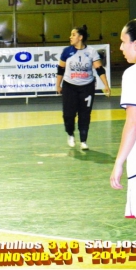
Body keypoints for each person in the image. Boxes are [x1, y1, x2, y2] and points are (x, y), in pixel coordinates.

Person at [56, 25, 111, 150]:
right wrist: (58, 85)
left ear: (80, 37)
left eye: (73, 35)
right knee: (68, 115)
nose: (70, 37)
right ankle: (70, 134)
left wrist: (106, 85)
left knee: (85, 114)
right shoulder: (66, 51)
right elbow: (60, 69)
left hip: (87, 87)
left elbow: (99, 69)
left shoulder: (91, 52)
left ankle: (83, 140)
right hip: (70, 86)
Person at [110, 19, 136, 218]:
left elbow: (133, 122)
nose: (120, 47)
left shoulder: (132, 75)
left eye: (123, 41)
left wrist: (119, 162)